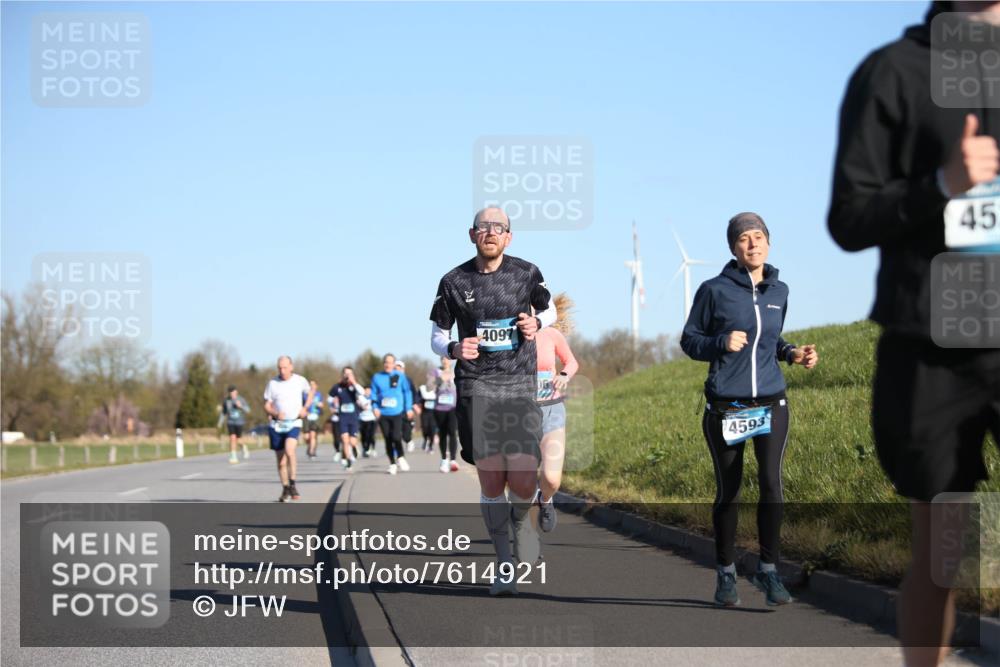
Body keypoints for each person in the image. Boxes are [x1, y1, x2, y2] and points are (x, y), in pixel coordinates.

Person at [828, 3, 1000, 662]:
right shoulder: (892, 73)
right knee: (941, 552)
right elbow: (848, 215)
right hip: (932, 341)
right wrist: (941, 184)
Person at [681, 213, 819, 607]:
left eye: (758, 237)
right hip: (727, 406)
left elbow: (769, 341)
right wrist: (721, 342)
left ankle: (769, 570)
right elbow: (690, 341)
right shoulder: (714, 290)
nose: (752, 244)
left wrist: (793, 353)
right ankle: (726, 573)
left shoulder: (780, 291)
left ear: (769, 243)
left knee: (773, 487)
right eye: (744, 239)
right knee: (730, 492)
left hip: (772, 403)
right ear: (733, 248)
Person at [429, 206, 557, 596]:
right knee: (491, 479)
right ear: (472, 235)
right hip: (476, 386)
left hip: (518, 384)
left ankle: (525, 521)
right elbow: (436, 334)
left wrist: (539, 323)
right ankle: (504, 564)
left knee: (520, 479)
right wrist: (453, 347)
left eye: (498, 228)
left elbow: (548, 309)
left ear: (508, 237)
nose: (490, 233)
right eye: (483, 227)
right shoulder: (453, 281)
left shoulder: (526, 272)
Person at [533, 293, 580, 533]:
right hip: (518, 414)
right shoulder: (508, 337)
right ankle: (524, 532)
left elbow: (571, 362)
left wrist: (563, 375)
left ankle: (546, 499)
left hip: (552, 410)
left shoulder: (551, 334)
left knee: (551, 479)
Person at [263, 356, 314, 502]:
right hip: (277, 425)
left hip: (294, 422)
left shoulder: (299, 380)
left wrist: (305, 408)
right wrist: (275, 413)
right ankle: (285, 488)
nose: (282, 370)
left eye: (285, 367)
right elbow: (266, 404)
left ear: (291, 367)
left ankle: (292, 483)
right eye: (279, 368)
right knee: (281, 461)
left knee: (290, 450)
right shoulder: (272, 383)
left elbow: (310, 393)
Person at [371, 353, 413, 474]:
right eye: (386, 362)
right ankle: (392, 463)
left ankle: (400, 456)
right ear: (383, 364)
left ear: (394, 364)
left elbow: (407, 392)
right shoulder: (377, 377)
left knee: (396, 436)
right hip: (382, 413)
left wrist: (408, 408)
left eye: (390, 362)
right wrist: (374, 407)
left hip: (397, 411)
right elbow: (373, 394)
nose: (387, 364)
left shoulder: (400, 376)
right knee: (387, 438)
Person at [329, 367, 365, 470]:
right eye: (346, 374)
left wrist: (354, 382)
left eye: (350, 374)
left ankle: (354, 447)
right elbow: (330, 397)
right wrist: (332, 406)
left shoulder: (355, 387)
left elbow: (362, 392)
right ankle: (348, 460)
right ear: (342, 375)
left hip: (353, 417)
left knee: (352, 441)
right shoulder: (338, 387)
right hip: (343, 417)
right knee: (345, 440)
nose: (347, 376)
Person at [434, 357, 460, 473]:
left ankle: (453, 460)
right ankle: (444, 459)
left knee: (452, 431)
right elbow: (430, 387)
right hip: (439, 408)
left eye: (447, 358)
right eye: (443, 359)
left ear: (451, 360)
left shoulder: (456, 371)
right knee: (443, 433)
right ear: (441, 360)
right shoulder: (435, 372)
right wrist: (440, 379)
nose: (445, 361)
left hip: (453, 407)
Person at [221, 385, 251, 464]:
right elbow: (223, 412)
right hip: (230, 422)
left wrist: (241, 406)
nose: (232, 394)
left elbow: (248, 410)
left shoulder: (241, 399)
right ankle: (233, 456)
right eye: (230, 393)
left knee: (239, 440)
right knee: (232, 438)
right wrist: (219, 423)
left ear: (236, 392)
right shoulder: (226, 401)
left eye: (233, 392)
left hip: (239, 422)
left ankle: (244, 447)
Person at [396, 360, 419, 452]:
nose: (397, 370)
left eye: (399, 368)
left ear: (403, 369)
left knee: (406, 431)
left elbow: (413, 393)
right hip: (395, 408)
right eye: (395, 368)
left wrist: (414, 404)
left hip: (406, 407)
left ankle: (408, 440)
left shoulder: (407, 380)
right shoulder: (391, 379)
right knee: (396, 429)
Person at [417, 371, 439, 453]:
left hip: (434, 413)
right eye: (429, 376)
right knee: (425, 427)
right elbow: (417, 399)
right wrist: (417, 407)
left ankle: (430, 446)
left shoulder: (438, 388)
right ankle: (425, 439)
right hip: (424, 412)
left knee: (432, 430)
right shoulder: (422, 388)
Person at [303, 379, 324, 460]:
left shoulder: (318, 395)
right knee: (306, 437)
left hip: (315, 416)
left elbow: (322, 404)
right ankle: (309, 447)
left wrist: (320, 405)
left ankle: (312, 452)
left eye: (313, 384)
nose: (312, 386)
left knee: (313, 435)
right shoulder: (304, 394)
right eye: (310, 384)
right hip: (307, 417)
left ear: (316, 386)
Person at [359, 386, 378, 457]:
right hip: (362, 419)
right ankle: (365, 448)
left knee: (371, 435)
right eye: (366, 390)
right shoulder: (360, 398)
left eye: (369, 390)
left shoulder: (374, 398)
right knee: (364, 435)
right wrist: (360, 406)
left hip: (372, 419)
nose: (367, 392)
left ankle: (373, 448)